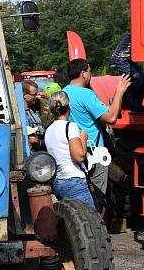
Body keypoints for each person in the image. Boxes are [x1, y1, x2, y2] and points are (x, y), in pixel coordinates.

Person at [63, 58, 131, 198]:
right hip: (93, 152)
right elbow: (111, 118)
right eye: (89, 72)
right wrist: (119, 91)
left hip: (73, 149)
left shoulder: (62, 94)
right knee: (98, 196)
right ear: (83, 74)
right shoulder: (86, 94)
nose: (90, 75)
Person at [44, 91, 95, 208]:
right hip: (74, 181)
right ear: (69, 106)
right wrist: (83, 138)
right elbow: (79, 157)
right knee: (92, 223)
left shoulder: (49, 130)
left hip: (58, 181)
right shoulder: (70, 126)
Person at [110, 33, 144, 113]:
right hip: (121, 59)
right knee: (137, 79)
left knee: (140, 79)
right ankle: (133, 106)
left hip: (127, 59)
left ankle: (125, 102)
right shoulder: (138, 33)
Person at [22, 80, 46, 149]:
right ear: (24, 95)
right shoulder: (21, 114)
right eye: (34, 94)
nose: (36, 97)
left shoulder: (34, 109)